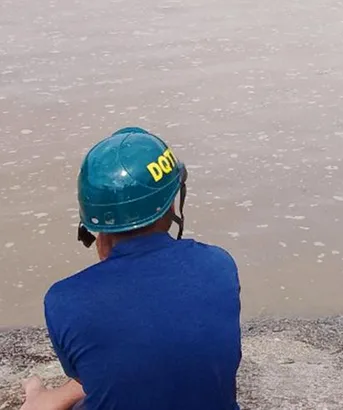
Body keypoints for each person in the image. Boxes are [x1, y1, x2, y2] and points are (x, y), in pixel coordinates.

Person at [20, 127, 242, 410]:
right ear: (172, 203)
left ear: (92, 222)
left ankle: (40, 399)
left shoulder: (64, 300)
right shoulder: (220, 264)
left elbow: (100, 373)